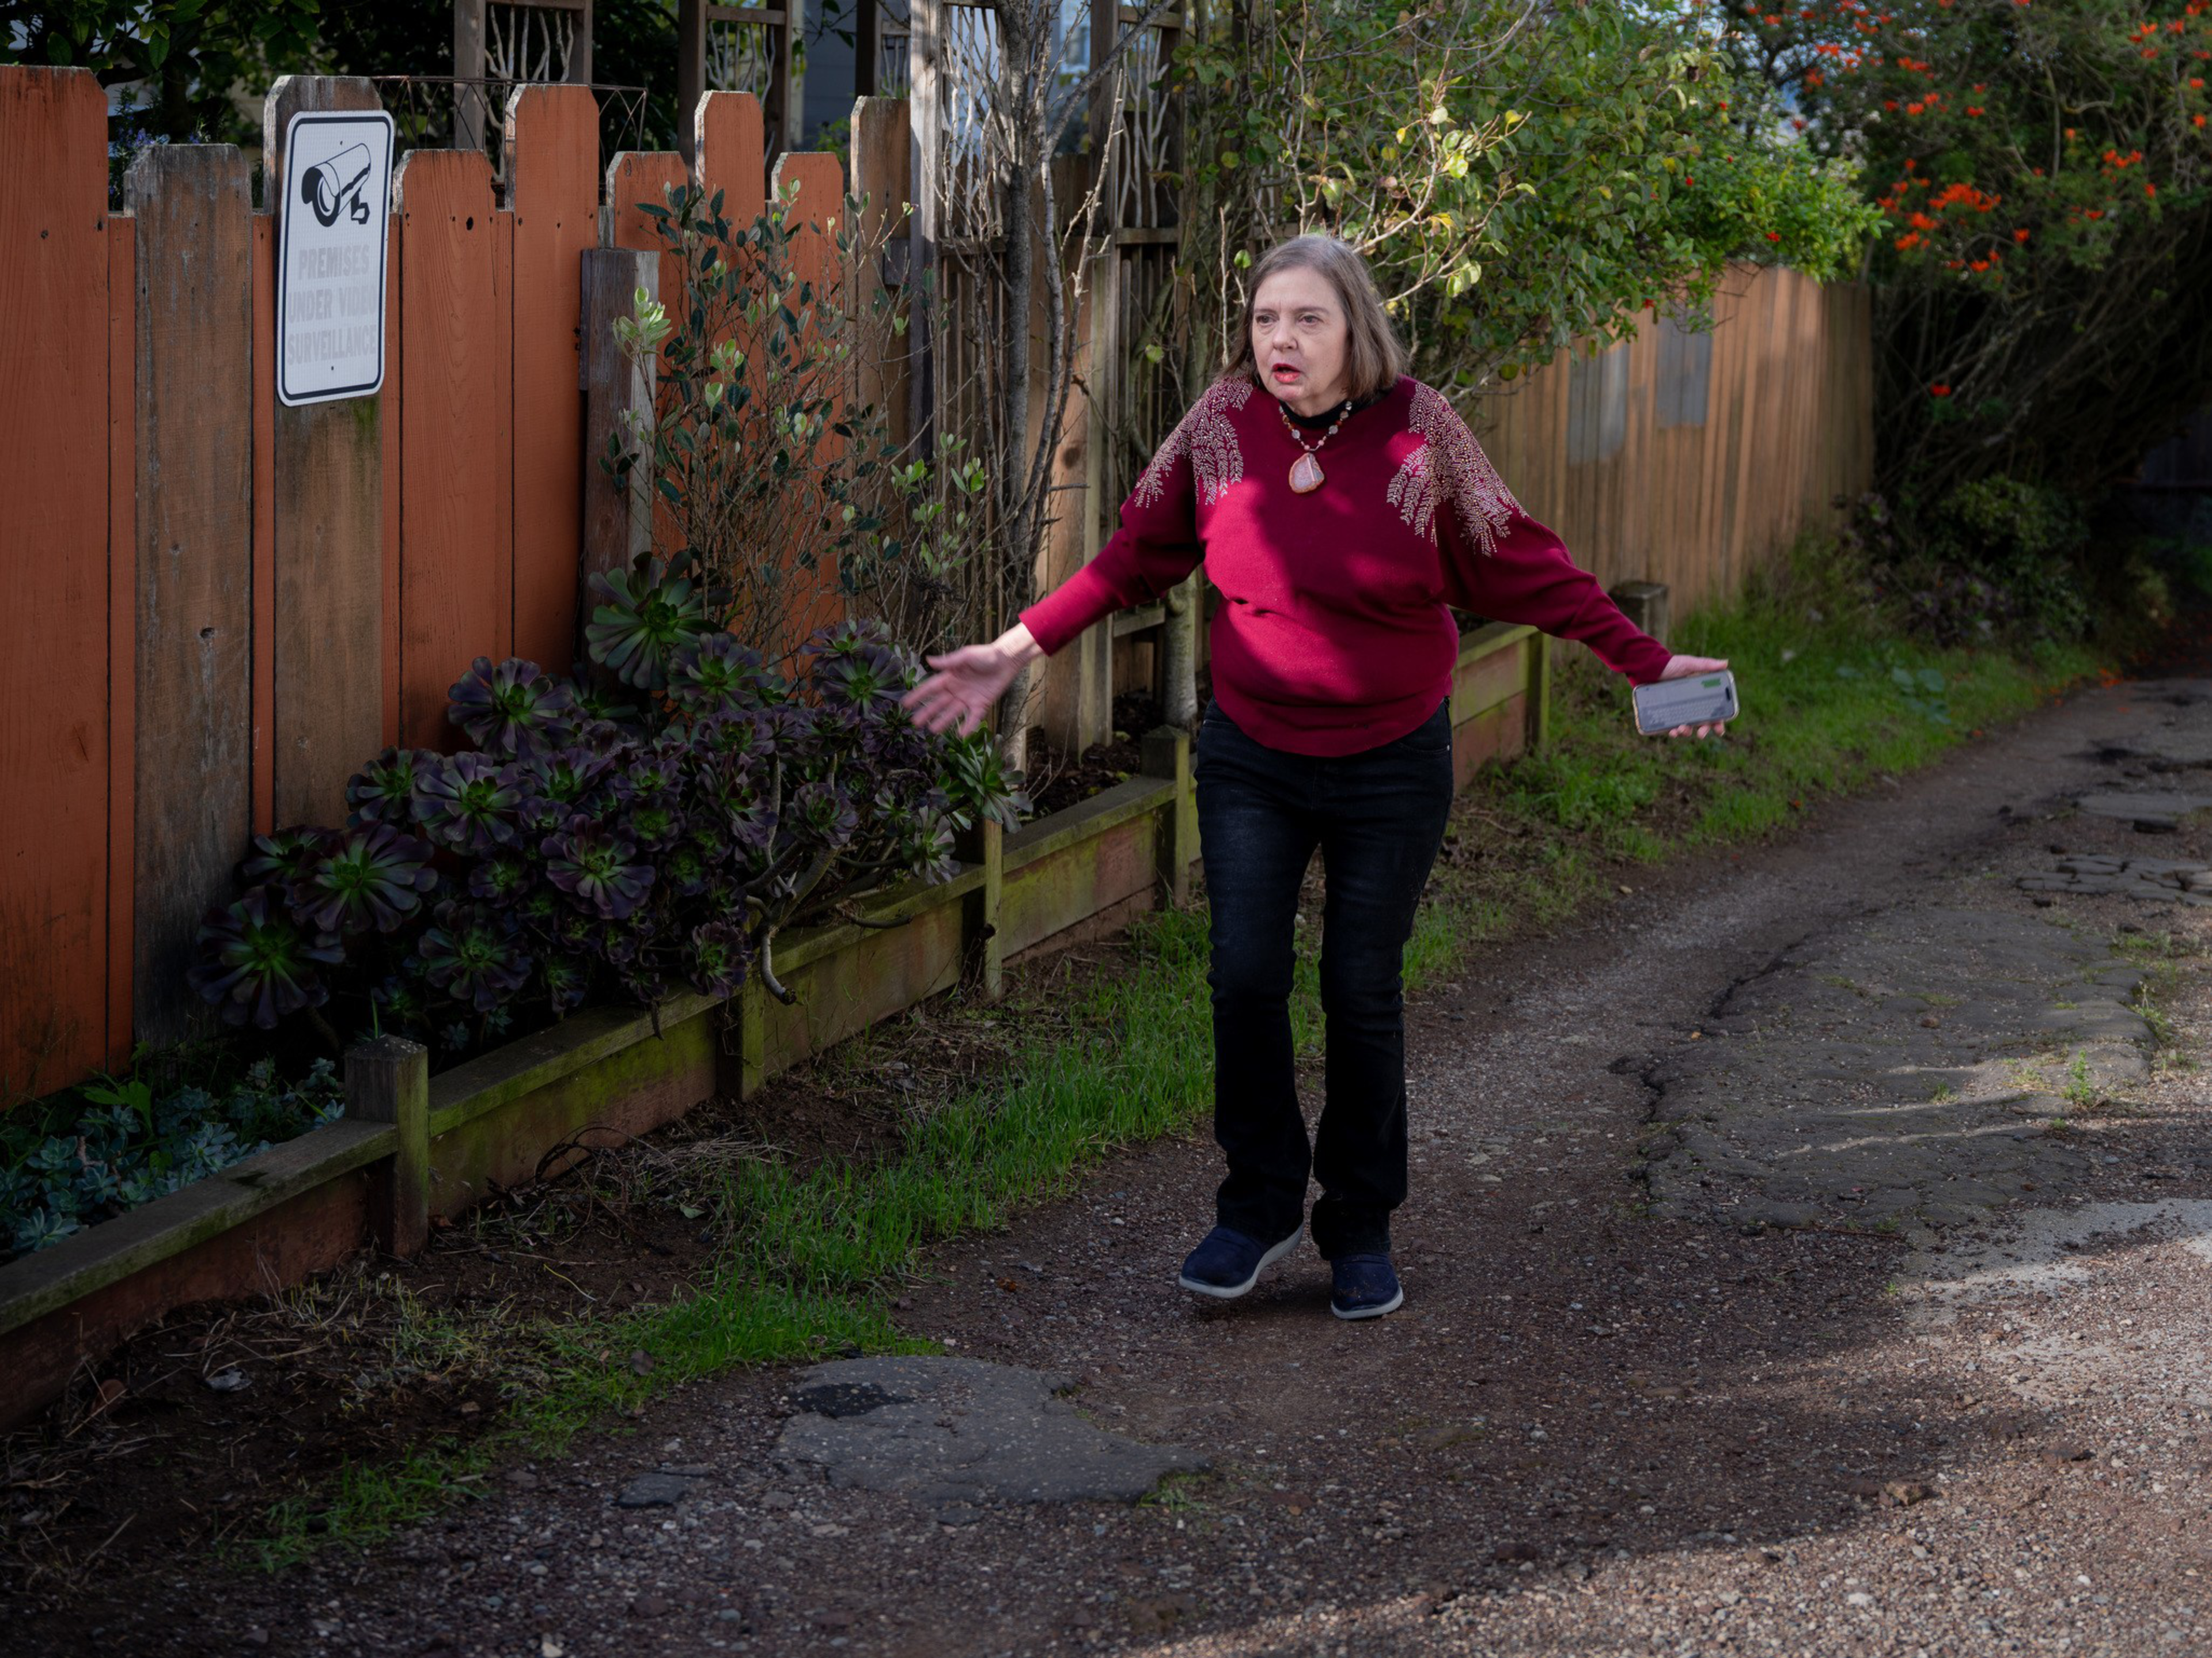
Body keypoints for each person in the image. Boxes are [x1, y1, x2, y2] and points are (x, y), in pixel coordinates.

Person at [902, 234, 1728, 1321]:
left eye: (1307, 320)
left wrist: (1645, 660)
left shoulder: (1421, 434)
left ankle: (1360, 1224)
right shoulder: (1219, 426)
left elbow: (1520, 558)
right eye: (1263, 319)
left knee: (1358, 986)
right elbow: (1132, 557)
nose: (1279, 340)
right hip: (1255, 755)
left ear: (1358, 332)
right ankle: (1256, 1207)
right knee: (1244, 975)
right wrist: (1013, 651)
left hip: (1393, 759)